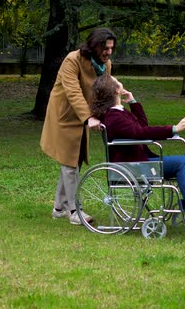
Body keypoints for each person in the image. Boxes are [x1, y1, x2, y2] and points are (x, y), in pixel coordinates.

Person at [91, 74, 185, 228]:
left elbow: (141, 127)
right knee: (182, 162)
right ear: (117, 90)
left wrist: (133, 102)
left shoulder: (118, 112)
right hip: (134, 166)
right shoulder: (115, 117)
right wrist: (174, 128)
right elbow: (141, 133)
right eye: (118, 82)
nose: (121, 83)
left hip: (138, 162)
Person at [40, 28, 117, 225]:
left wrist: (114, 111)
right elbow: (73, 91)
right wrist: (88, 118)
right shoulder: (72, 59)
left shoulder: (106, 64)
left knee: (74, 161)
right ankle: (75, 211)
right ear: (94, 45)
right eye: (105, 48)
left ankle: (59, 208)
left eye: (111, 48)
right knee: (69, 163)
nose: (109, 52)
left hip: (84, 116)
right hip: (64, 116)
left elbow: (105, 92)